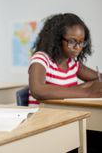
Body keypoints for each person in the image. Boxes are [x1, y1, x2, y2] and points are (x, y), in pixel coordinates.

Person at [28, 13, 102, 153]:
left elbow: (97, 78)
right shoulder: (41, 59)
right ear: (56, 40)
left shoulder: (72, 63)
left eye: (82, 42)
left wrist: (85, 86)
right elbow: (38, 90)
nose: (78, 47)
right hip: (43, 126)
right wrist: (85, 91)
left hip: (66, 122)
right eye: (72, 41)